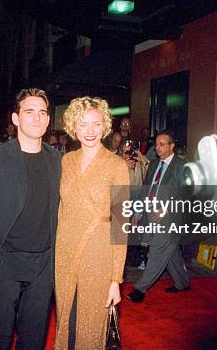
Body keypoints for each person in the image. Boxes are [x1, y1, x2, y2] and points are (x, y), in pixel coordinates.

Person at [0, 88, 61, 350]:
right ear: (16, 118)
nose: (37, 118)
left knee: (33, 339)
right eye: (29, 111)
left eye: (43, 112)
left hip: (43, 265)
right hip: (5, 262)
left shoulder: (56, 159)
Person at [54, 96, 129, 349]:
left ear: (105, 126)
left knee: (89, 327)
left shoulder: (116, 165)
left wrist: (115, 280)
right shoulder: (66, 161)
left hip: (98, 253)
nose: (90, 131)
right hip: (65, 252)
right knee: (66, 320)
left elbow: (121, 225)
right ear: (74, 127)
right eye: (83, 124)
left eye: (96, 124)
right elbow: (61, 211)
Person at [127, 130, 190, 302]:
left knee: (157, 249)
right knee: (170, 251)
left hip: (171, 217)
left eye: (162, 144)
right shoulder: (154, 164)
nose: (158, 148)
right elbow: (146, 190)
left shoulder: (181, 166)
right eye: (157, 144)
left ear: (172, 146)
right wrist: (137, 211)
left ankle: (140, 288)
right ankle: (183, 283)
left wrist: (165, 209)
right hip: (151, 214)